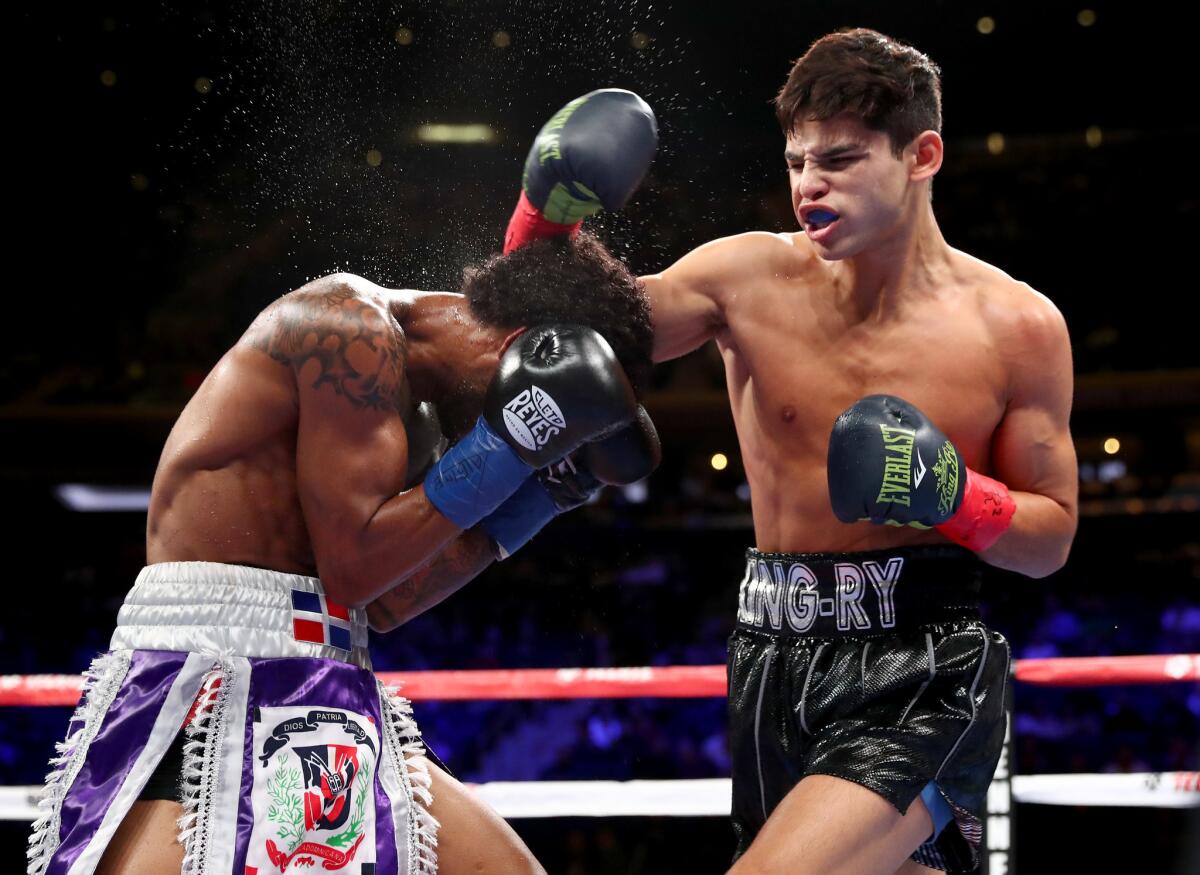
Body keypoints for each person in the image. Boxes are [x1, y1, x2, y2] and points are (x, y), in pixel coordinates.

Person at [506, 31, 1078, 875]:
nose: (810, 186)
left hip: (921, 667)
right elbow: (553, 344)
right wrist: (542, 214)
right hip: (771, 659)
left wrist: (954, 494)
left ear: (923, 155)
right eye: (796, 161)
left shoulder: (1017, 326)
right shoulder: (745, 280)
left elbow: (1052, 536)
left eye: (840, 160)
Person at [27, 230, 660, 875]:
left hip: (326, 658)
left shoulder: (415, 411)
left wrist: (542, 494)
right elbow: (356, 572)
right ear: (521, 351)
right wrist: (511, 442)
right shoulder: (346, 328)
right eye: (551, 424)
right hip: (215, 659)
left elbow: (386, 601)